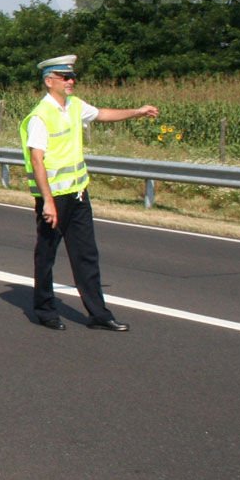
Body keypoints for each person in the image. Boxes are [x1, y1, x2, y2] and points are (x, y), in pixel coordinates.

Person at [20, 55, 159, 331]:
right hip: (54, 199)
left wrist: (137, 111)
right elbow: (37, 160)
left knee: (86, 255)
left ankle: (99, 314)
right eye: (65, 77)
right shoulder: (40, 116)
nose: (71, 81)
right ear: (50, 81)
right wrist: (47, 201)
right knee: (46, 254)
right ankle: (45, 310)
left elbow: (103, 114)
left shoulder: (74, 106)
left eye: (72, 77)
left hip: (78, 194)